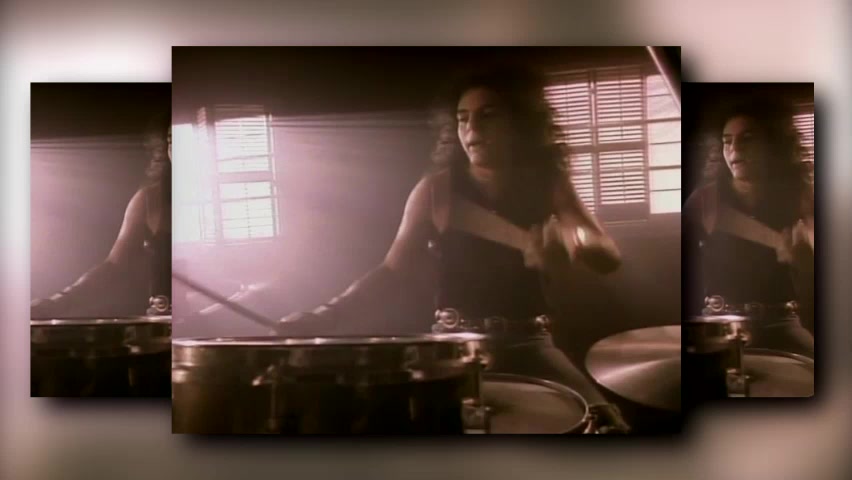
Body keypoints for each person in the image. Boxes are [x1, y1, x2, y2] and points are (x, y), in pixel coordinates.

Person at [282, 65, 630, 432]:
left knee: (607, 427)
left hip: (530, 342)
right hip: (454, 348)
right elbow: (392, 271)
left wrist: (576, 245)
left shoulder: (548, 183)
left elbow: (607, 253)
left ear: (519, 123)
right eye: (463, 118)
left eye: (488, 115)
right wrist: (326, 314)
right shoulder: (435, 190)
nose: (471, 128)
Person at [683, 97, 814, 359]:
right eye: (727, 141)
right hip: (719, 324)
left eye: (748, 139)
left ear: (773, 144)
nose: (734, 149)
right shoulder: (704, 200)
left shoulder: (803, 196)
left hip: (782, 322)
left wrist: (806, 261)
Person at [31, 113, 173, 319]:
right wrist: (56, 302)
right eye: (171, 140)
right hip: (166, 329)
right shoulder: (149, 199)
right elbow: (114, 267)